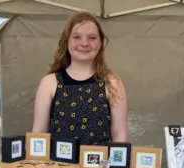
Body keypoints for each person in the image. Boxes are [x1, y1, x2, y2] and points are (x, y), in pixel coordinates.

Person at [32, 11, 128, 146]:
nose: (84, 43)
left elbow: (120, 137)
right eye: (77, 37)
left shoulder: (112, 83)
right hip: (58, 166)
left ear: (100, 43)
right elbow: (39, 134)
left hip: (99, 166)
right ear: (66, 41)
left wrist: (118, 167)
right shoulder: (49, 83)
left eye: (92, 38)